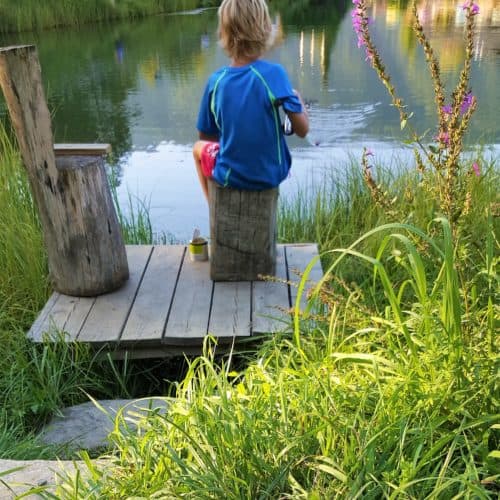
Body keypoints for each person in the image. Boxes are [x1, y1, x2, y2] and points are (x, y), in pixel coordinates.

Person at [193, 0, 309, 201]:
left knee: (197, 149)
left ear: (223, 32)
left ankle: (212, 206)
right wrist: (298, 100)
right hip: (270, 176)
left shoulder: (216, 82)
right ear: (265, 30)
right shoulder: (275, 74)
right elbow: (302, 130)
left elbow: (206, 137)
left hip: (230, 177)